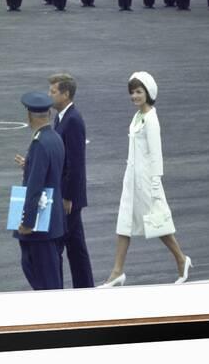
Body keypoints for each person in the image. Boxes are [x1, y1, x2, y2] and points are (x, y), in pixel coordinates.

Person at [99, 72, 192, 288]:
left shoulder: (151, 118)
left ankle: (180, 258)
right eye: (132, 92)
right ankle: (117, 272)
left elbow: (156, 153)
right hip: (131, 180)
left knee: (157, 223)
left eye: (139, 92)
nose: (134, 96)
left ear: (148, 93)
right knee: (124, 223)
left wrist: (154, 182)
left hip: (147, 181)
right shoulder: (137, 116)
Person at [13, 91, 66, 291]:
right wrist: (30, 165)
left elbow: (34, 189)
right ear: (49, 114)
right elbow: (53, 173)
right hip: (55, 222)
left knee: (43, 281)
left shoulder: (38, 144)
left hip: (40, 227)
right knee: (53, 277)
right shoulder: (55, 138)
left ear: (29, 116)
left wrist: (27, 223)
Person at [48, 73, 95, 289]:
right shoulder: (60, 118)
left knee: (63, 245)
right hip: (66, 196)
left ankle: (76, 288)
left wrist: (67, 197)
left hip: (68, 199)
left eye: (53, 91)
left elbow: (76, 164)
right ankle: (85, 288)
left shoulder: (73, 120)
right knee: (76, 247)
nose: (50, 95)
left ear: (66, 94)